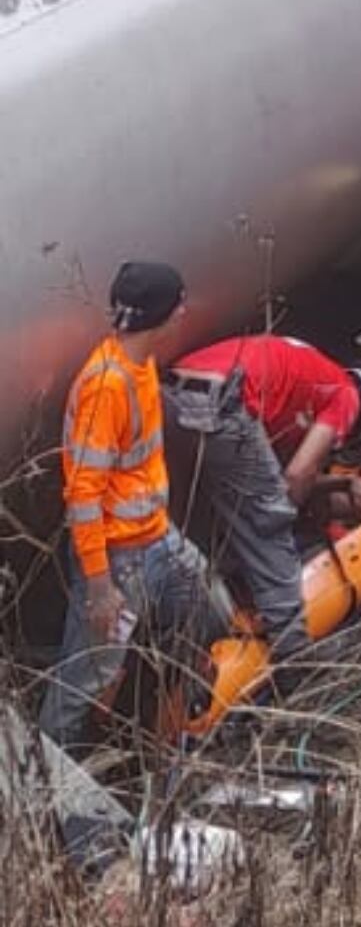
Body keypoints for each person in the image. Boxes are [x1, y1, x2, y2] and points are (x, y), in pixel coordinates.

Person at [40, 262, 229, 749]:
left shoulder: (140, 366)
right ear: (162, 316)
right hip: (118, 561)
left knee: (210, 612)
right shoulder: (107, 387)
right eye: (179, 303)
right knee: (80, 681)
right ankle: (47, 782)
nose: (185, 310)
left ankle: (148, 723)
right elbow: (83, 495)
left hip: (155, 539)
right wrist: (100, 587)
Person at [163, 335, 361, 660]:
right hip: (221, 403)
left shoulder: (309, 367)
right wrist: (287, 518)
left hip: (169, 396)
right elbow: (297, 475)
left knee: (196, 527)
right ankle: (293, 649)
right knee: (267, 525)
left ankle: (204, 633)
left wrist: (336, 485)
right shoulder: (347, 396)